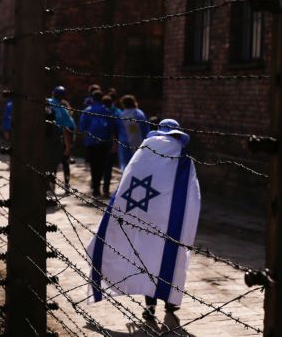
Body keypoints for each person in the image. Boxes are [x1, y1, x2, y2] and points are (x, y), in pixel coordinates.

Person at [86, 119, 201, 320]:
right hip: (167, 216)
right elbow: (192, 193)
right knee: (170, 255)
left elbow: (127, 181)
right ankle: (170, 300)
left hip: (141, 214)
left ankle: (150, 305)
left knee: (147, 257)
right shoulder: (181, 155)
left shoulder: (144, 150)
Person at [78, 91, 117, 197]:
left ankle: (95, 188)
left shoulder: (87, 111)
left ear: (92, 98)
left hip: (91, 142)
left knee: (93, 165)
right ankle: (100, 187)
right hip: (104, 142)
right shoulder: (107, 111)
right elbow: (112, 128)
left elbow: (82, 127)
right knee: (102, 164)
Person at [45, 86, 75, 193]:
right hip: (59, 139)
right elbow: (68, 128)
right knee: (65, 162)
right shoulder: (63, 109)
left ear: (53, 93)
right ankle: (66, 185)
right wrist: (68, 147)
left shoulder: (46, 102)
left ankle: (50, 185)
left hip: (46, 138)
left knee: (50, 163)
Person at [117, 94, 149, 170]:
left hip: (124, 143)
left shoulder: (121, 114)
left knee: (126, 165)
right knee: (137, 164)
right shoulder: (140, 114)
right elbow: (146, 129)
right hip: (139, 142)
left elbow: (118, 129)